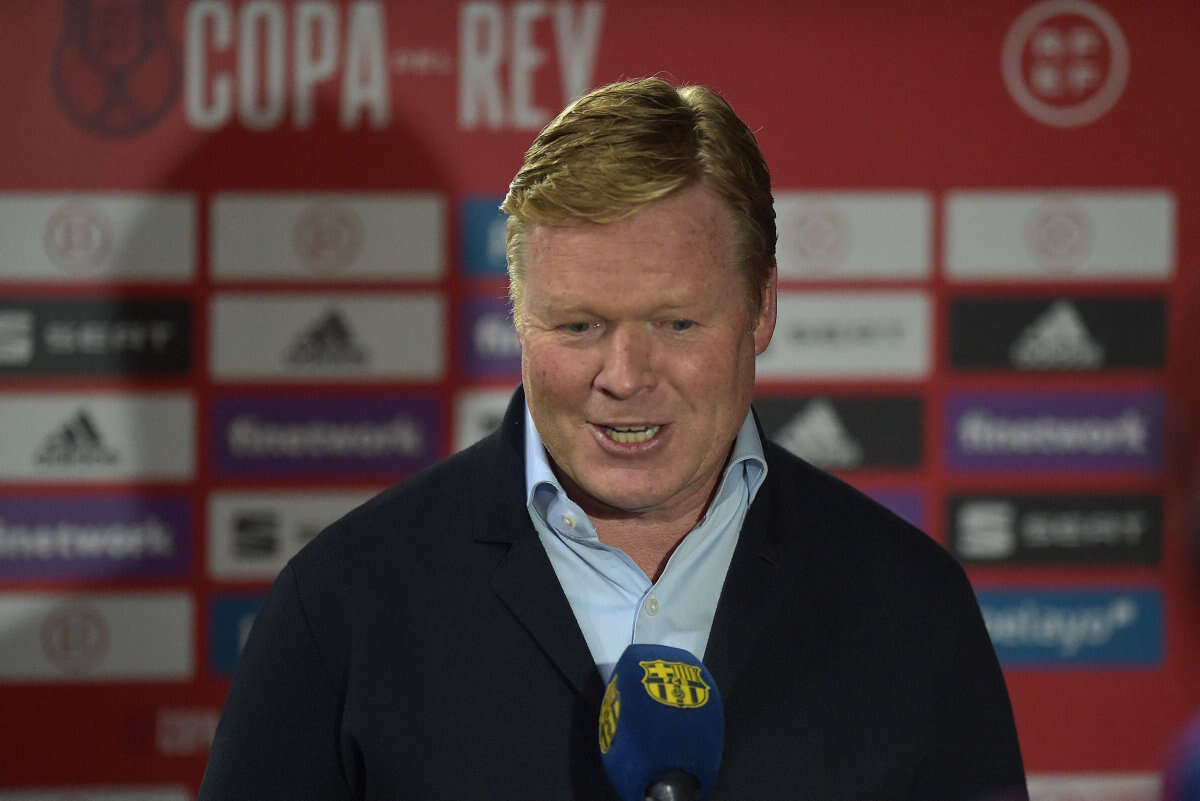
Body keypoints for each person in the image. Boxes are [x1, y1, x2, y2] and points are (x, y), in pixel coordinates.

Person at [198, 78, 1027, 800]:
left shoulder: (910, 606)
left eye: (676, 322)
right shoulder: (342, 605)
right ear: (519, 319)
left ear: (762, 309)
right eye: (580, 325)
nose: (625, 376)